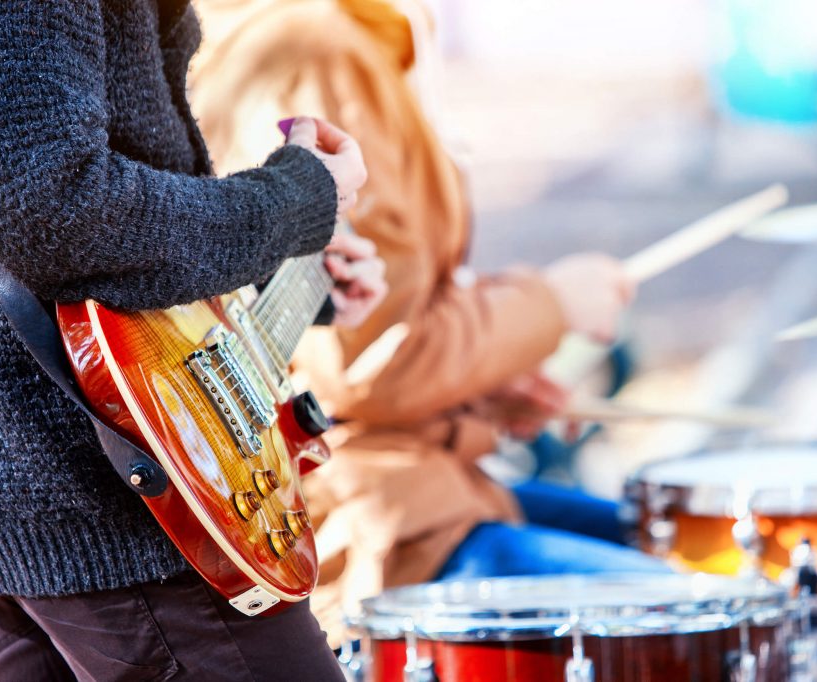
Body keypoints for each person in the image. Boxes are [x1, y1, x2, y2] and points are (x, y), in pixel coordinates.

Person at [191, 0, 669, 648]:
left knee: (684, 554)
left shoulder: (332, 34)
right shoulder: (311, 47)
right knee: (689, 615)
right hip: (375, 521)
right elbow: (362, 364)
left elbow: (358, 328)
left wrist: (486, 380)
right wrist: (551, 305)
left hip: (427, 483)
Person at [0, 1, 385, 679]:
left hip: (62, 486)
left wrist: (284, 269)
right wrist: (295, 201)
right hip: (122, 491)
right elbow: (54, 210)